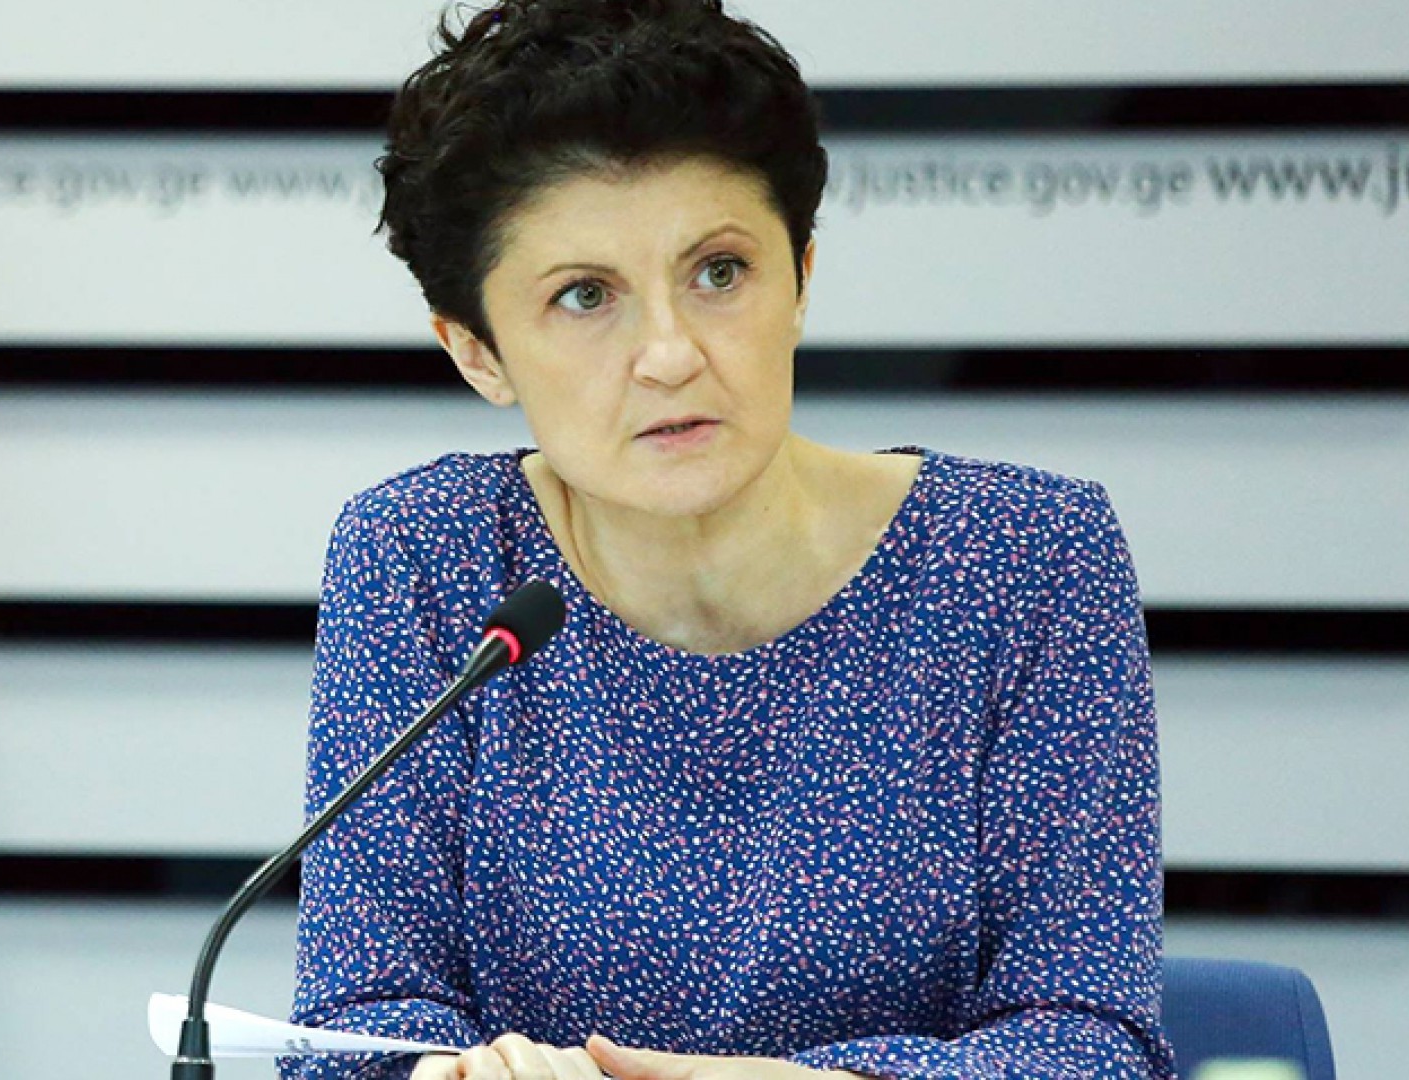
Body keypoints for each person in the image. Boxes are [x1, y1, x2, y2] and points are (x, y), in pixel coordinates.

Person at [284, 2, 1175, 1079]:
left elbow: (1092, 1037)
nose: (669, 354)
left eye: (719, 273)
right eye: (584, 297)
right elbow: (356, 1020)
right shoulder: (427, 557)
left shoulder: (1024, 559)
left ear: (801, 278)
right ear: (478, 353)